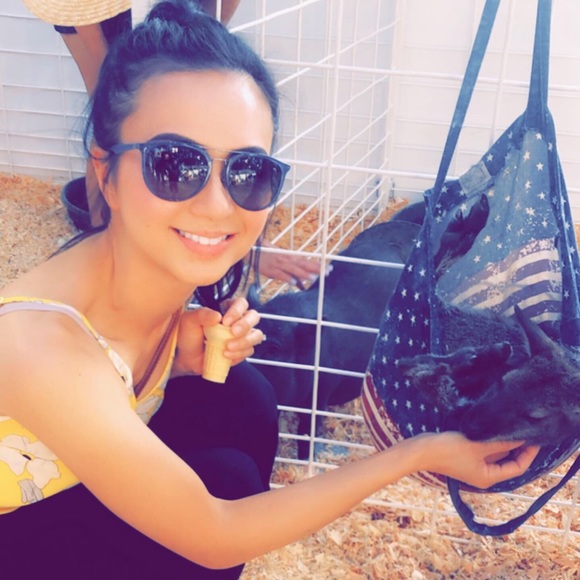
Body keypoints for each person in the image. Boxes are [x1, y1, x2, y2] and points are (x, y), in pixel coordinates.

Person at [0, 1, 539, 578]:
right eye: (175, 165)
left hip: (66, 484)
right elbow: (215, 536)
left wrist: (176, 362)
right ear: (104, 169)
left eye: (247, 173)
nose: (216, 206)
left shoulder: (152, 271)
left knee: (241, 397)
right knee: (225, 487)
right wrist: (416, 453)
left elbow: (114, 390)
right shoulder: (40, 346)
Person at [22, 0, 320, 287]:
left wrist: (235, 238)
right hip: (91, 16)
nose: (215, 208)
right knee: (109, 114)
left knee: (203, 111)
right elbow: (104, 92)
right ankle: (108, 257)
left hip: (182, 14)